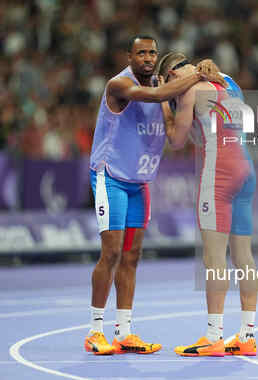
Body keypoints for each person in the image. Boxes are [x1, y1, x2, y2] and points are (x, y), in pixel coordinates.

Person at [84, 36, 222, 355]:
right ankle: (94, 331)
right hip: (112, 178)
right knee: (112, 253)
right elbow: (156, 94)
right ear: (129, 56)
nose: (147, 57)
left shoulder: (162, 88)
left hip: (139, 183)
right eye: (141, 53)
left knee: (132, 257)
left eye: (152, 53)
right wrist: (198, 74)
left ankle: (125, 332)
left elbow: (173, 127)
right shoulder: (119, 85)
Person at [156, 53, 258, 357]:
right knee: (244, 257)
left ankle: (214, 335)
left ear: (172, 76)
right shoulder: (228, 80)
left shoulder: (188, 90)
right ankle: (247, 335)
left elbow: (175, 140)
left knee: (214, 258)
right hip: (246, 169)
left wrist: (164, 103)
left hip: (219, 174)